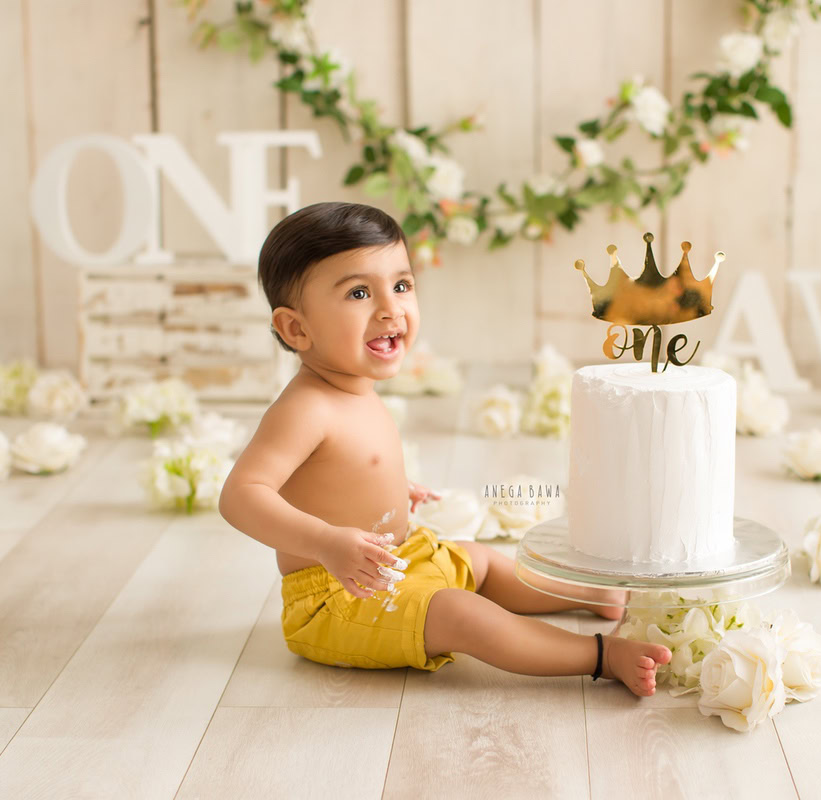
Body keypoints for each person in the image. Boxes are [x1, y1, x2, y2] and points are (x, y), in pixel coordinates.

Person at [218, 202, 670, 695]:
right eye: (359, 292)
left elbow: (340, 466)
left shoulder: (350, 386)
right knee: (460, 612)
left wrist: (389, 488)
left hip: (397, 557)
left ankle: (593, 592)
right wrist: (327, 542)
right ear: (296, 329)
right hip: (337, 595)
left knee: (480, 560)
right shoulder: (305, 407)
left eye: (402, 285)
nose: (390, 308)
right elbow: (242, 494)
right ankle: (601, 655)